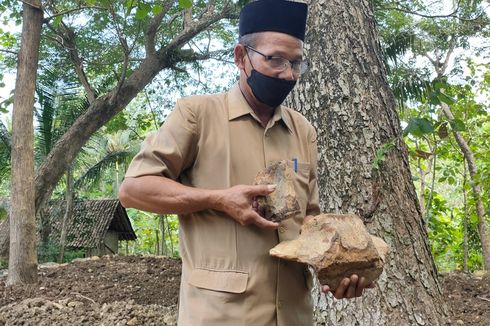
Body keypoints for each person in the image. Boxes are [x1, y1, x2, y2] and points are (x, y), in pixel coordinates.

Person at [119, 0, 373, 325]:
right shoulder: (197, 116)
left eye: (296, 63)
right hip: (220, 316)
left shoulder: (303, 130)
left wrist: (337, 268)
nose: (288, 74)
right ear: (241, 57)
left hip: (294, 314)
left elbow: (309, 220)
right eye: (276, 59)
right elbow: (134, 189)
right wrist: (218, 200)